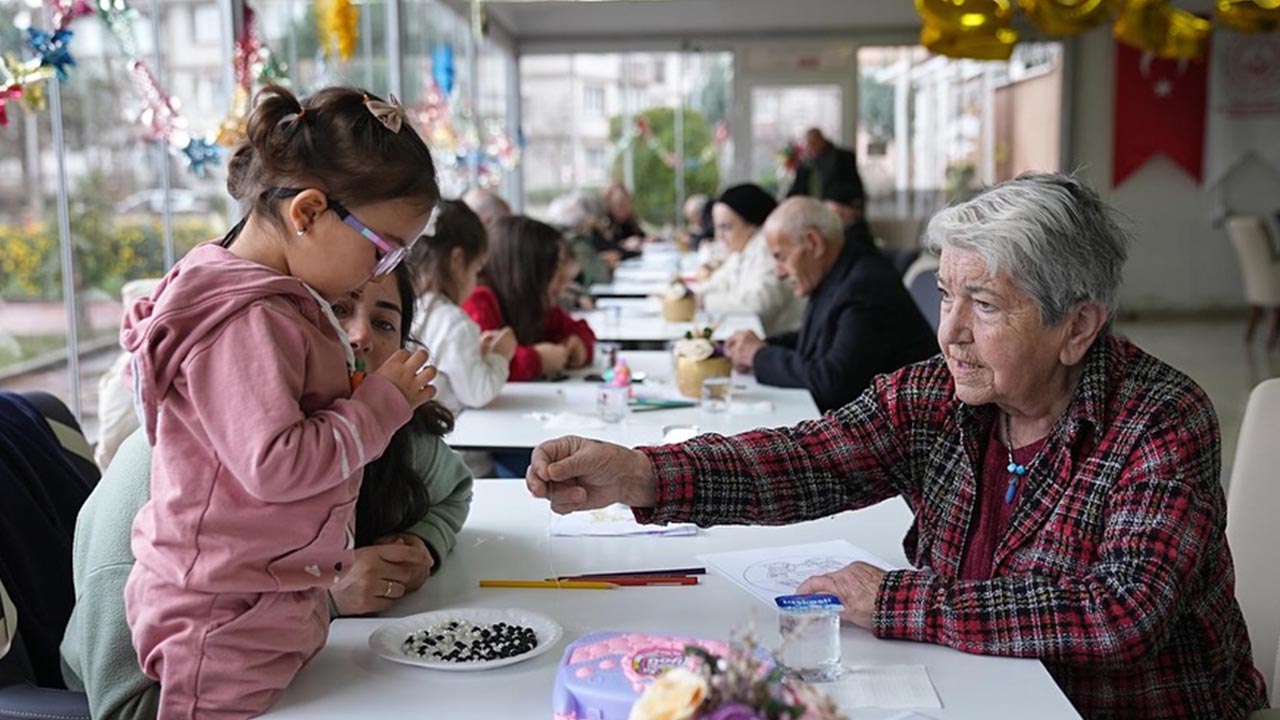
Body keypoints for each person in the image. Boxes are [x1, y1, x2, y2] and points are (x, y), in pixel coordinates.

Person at [526, 173, 1270, 720]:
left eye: (984, 305)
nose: (949, 331)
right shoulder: (938, 394)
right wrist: (644, 474)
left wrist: (900, 600)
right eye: (947, 296)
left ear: (1077, 326)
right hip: (978, 684)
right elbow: (808, 458)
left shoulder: (1161, 417)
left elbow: (1118, 610)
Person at [119, 85, 439, 719]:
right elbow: (276, 465)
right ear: (308, 212)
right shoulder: (248, 319)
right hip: (221, 611)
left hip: (264, 592)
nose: (387, 268)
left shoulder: (277, 303)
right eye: (385, 248)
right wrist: (378, 406)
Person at [60, 267, 474, 720]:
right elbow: (127, 707)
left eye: (384, 323)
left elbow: (455, 489)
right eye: (336, 309)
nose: (359, 337)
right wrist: (325, 601)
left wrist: (422, 542)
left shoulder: (386, 436)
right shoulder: (158, 467)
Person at [725, 198, 936, 412]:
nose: (778, 272)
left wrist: (758, 355)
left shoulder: (864, 286)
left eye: (782, 257)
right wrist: (763, 346)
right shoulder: (840, 269)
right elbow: (819, 338)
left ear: (814, 243)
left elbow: (833, 383)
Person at [408, 200, 514, 415]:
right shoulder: (454, 320)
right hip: (448, 436)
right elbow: (477, 392)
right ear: (457, 260)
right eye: (476, 269)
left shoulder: (409, 305)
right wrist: (500, 356)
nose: (475, 280)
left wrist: (478, 354)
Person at [462, 216, 595, 382]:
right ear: (527, 273)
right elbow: (483, 366)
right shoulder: (479, 302)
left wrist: (579, 346)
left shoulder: (533, 304)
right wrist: (538, 360)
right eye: (554, 267)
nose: (563, 279)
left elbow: (578, 329)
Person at [701, 184, 805, 336]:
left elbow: (758, 304)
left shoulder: (768, 247)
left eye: (726, 227)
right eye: (718, 227)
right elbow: (719, 281)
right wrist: (691, 297)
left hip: (781, 342)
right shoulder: (744, 247)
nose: (719, 236)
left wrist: (703, 301)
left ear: (751, 224)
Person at [787, 128, 864, 208]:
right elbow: (796, 189)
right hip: (810, 209)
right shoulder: (804, 165)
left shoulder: (844, 157)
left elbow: (855, 186)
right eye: (809, 144)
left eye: (814, 142)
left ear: (823, 140)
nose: (811, 147)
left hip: (839, 207)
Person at [598, 183, 644, 261]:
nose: (622, 209)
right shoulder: (603, 225)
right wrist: (624, 245)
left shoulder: (629, 222)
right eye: (618, 204)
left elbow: (640, 236)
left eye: (626, 203)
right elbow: (609, 252)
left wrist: (644, 240)